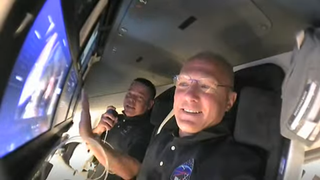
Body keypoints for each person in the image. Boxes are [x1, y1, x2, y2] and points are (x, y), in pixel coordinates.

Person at [80, 52, 264, 180]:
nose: (189, 96)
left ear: (229, 102)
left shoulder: (235, 165)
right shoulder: (162, 139)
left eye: (206, 86)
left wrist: (88, 136)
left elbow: (129, 170)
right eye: (183, 84)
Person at [83, 78, 156, 179]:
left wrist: (86, 132)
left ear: (150, 105)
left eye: (139, 98)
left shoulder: (146, 132)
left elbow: (129, 171)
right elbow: (88, 147)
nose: (131, 100)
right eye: (129, 94)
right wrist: (99, 129)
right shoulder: (116, 119)